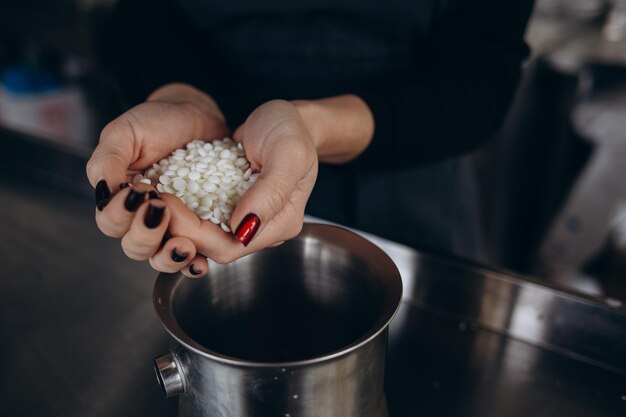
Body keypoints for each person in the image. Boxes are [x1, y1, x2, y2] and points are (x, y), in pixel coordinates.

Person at [86, 0, 534, 277]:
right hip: (211, 167)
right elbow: (146, 14)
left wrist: (311, 124)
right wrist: (181, 99)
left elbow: (481, 72)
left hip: (412, 196)